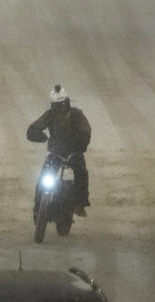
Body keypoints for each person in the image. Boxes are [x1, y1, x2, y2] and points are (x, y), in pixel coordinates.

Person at [26, 84, 91, 216]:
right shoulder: (50, 115)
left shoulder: (77, 115)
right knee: (42, 180)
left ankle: (80, 204)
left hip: (74, 153)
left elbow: (86, 130)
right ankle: (37, 209)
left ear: (66, 103)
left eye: (59, 105)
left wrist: (80, 145)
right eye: (53, 105)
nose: (56, 109)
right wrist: (39, 136)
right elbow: (33, 128)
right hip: (55, 153)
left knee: (81, 174)